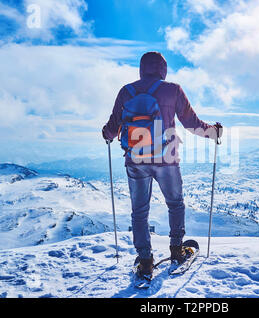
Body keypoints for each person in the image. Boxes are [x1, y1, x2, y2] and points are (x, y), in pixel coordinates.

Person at [102, 51, 222, 278]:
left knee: (140, 212)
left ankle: (145, 261)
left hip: (135, 160)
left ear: (141, 67)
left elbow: (113, 127)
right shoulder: (172, 90)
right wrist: (213, 132)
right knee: (175, 204)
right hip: (167, 159)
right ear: (163, 69)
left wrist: (106, 134)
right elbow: (191, 123)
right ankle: (177, 250)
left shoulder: (126, 91)